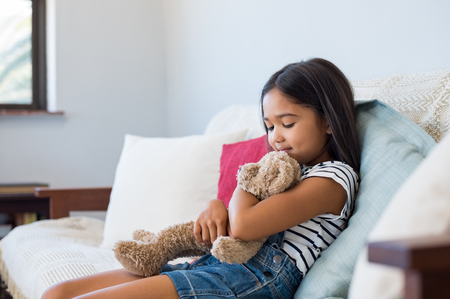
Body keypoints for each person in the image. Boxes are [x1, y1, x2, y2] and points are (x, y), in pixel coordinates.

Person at [41, 58, 360, 299]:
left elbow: (246, 225)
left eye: (287, 123)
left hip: (255, 280)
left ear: (329, 121)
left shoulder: (333, 179)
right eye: (269, 126)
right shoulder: (290, 172)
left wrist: (247, 180)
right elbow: (237, 222)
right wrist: (214, 205)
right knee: (57, 293)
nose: (275, 138)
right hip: (215, 266)